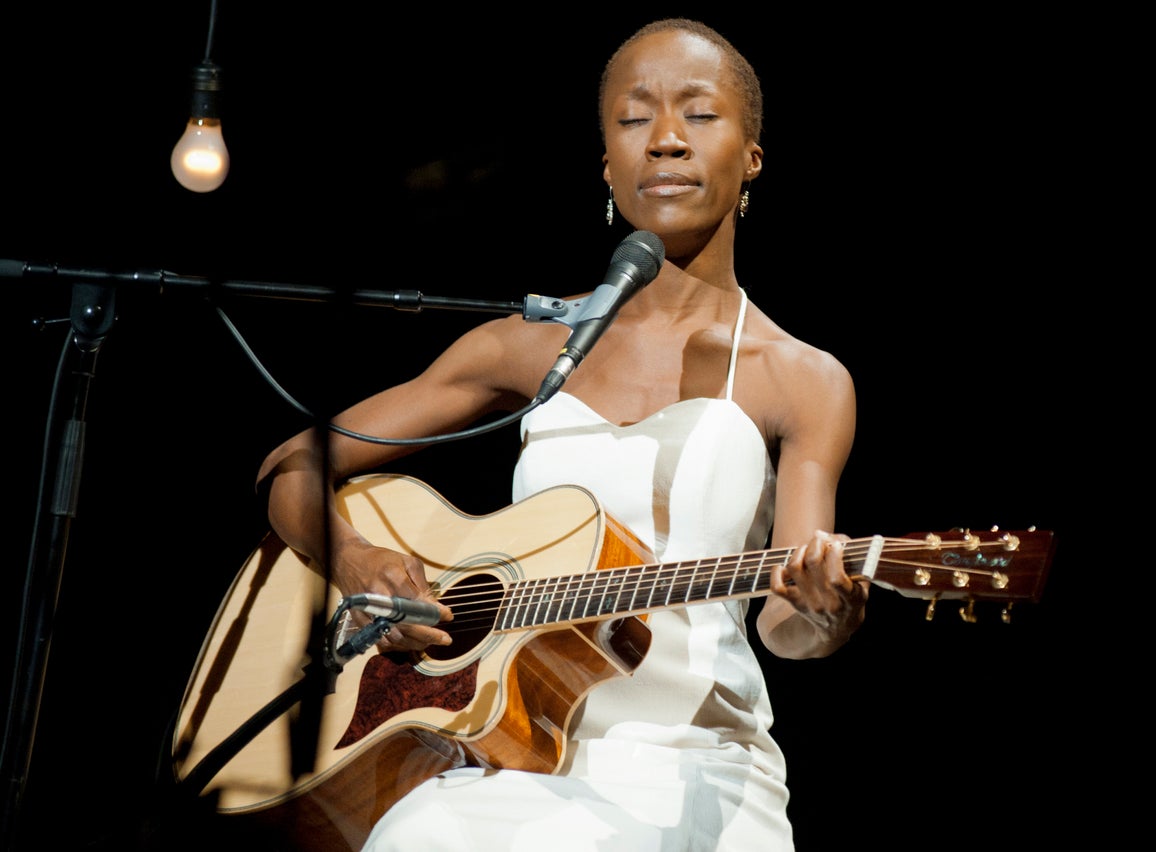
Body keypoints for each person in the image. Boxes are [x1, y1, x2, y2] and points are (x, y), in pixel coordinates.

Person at [254, 17, 867, 851]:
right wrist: (362, 565)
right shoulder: (525, 346)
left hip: (694, 765)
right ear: (606, 162)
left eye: (700, 114)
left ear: (752, 156)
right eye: (633, 119)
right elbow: (294, 465)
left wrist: (829, 612)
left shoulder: (801, 377)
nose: (666, 142)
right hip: (507, 756)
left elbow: (790, 625)